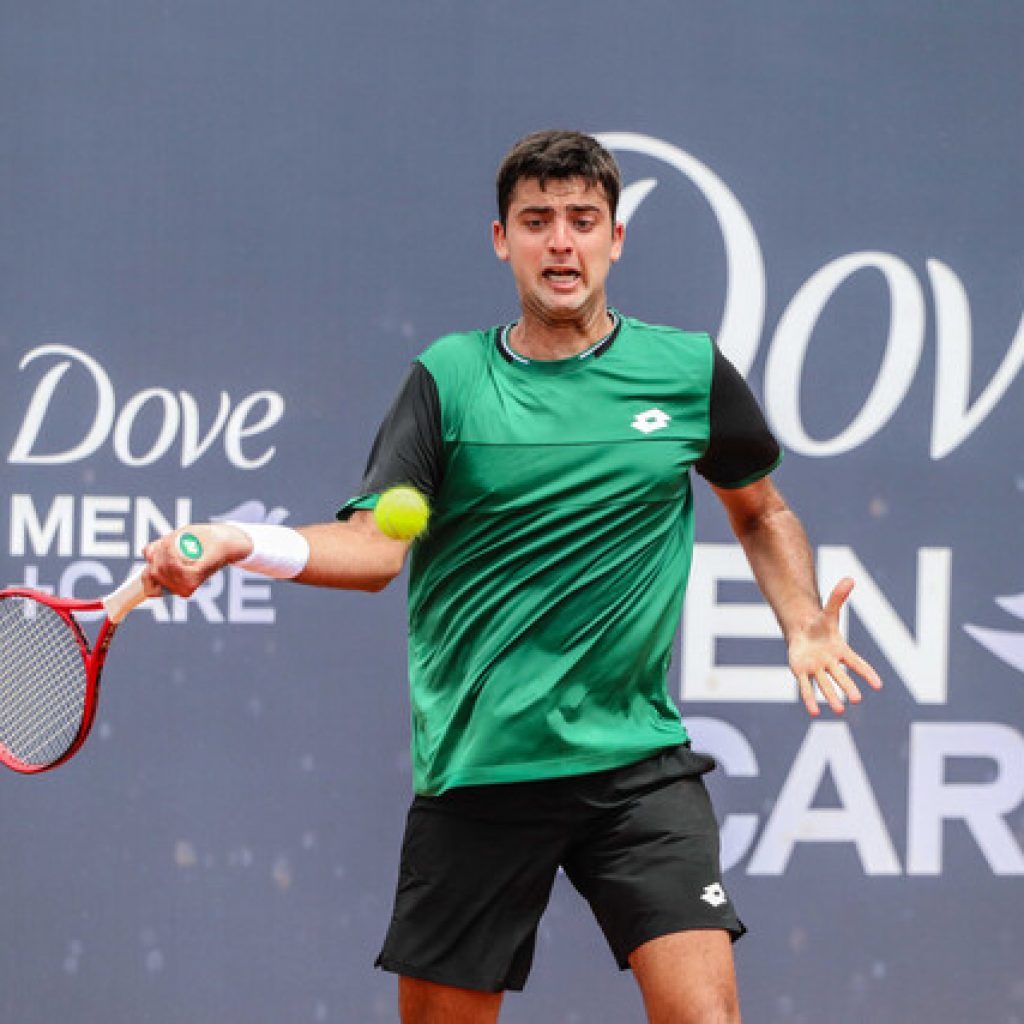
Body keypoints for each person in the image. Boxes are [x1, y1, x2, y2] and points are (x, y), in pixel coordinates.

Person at [143, 129, 882, 1024]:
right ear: (503, 240)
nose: (560, 242)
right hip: (480, 774)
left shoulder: (686, 372)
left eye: (582, 219)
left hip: (635, 767)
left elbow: (761, 510)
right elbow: (376, 550)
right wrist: (235, 539)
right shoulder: (449, 380)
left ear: (617, 237)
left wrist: (802, 621)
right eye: (537, 221)